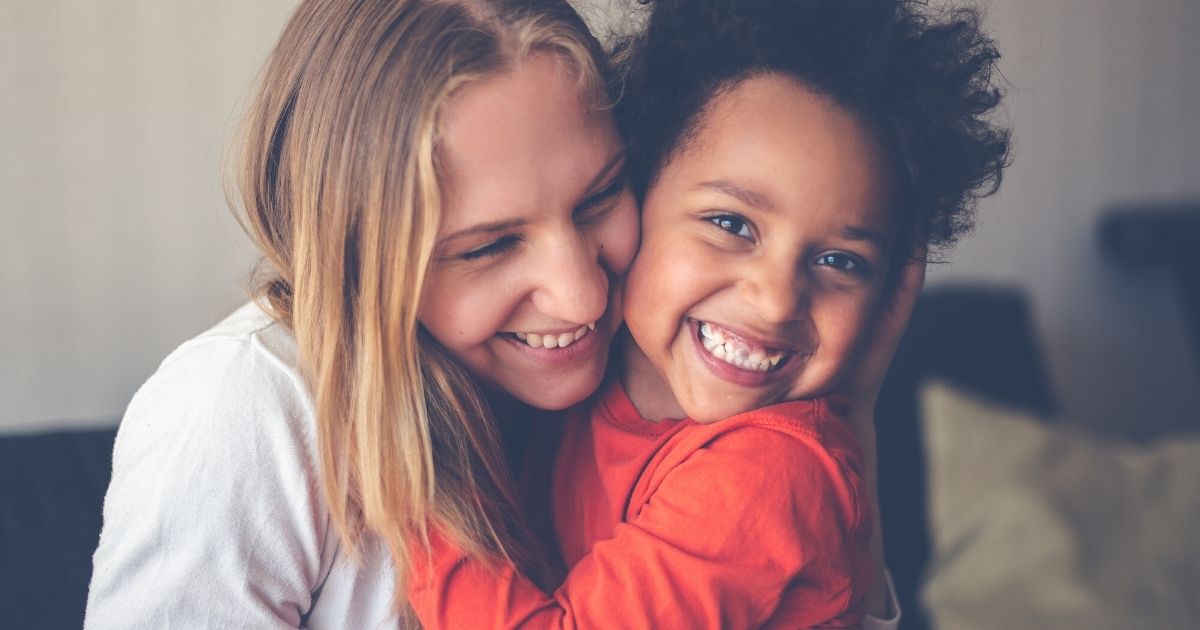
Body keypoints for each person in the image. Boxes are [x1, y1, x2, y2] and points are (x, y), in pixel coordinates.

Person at [84, 0, 916, 627]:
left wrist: (854, 419)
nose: (584, 297)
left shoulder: (600, 378)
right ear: (360, 251)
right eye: (486, 247)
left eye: (598, 197)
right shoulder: (242, 407)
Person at [406, 0, 1009, 627]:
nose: (776, 301)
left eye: (840, 261)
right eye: (731, 224)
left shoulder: (773, 474)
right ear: (635, 190)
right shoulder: (570, 371)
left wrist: (404, 476)